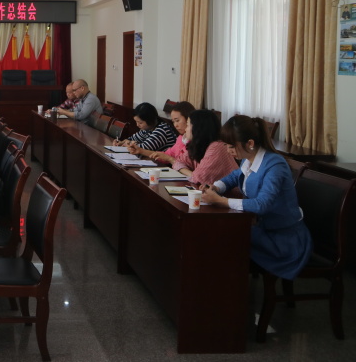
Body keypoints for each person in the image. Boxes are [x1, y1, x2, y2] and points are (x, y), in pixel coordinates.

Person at [200, 115, 312, 280]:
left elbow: (262, 204)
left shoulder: (275, 165)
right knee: (220, 234)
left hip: (283, 240)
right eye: (226, 145)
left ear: (250, 143)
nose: (228, 151)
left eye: (231, 146)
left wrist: (221, 201)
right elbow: (234, 177)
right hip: (263, 229)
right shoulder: (248, 159)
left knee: (225, 237)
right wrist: (216, 187)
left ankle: (226, 288)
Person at [171, 109, 238, 185]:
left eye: (188, 125)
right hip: (209, 191)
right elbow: (177, 162)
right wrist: (191, 174)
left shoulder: (216, 147)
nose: (186, 129)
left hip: (228, 192)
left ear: (198, 128)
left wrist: (192, 175)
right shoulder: (199, 145)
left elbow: (198, 179)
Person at [129, 101, 194, 162]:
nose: (175, 125)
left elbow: (185, 165)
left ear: (189, 120)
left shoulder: (163, 129)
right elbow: (166, 154)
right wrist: (140, 150)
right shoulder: (181, 139)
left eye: (177, 121)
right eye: (173, 122)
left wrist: (170, 159)